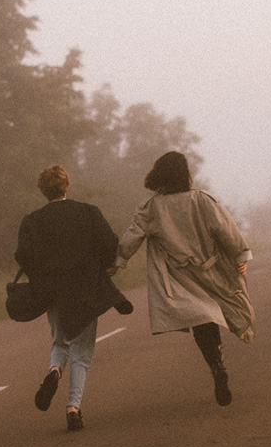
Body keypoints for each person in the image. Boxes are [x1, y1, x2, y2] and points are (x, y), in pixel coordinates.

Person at [114, 150, 254, 406]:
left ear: (159, 174)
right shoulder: (202, 200)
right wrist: (240, 255)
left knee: (201, 318)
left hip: (178, 277)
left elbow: (133, 236)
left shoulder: (151, 207)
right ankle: (218, 364)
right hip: (209, 271)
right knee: (213, 313)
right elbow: (225, 228)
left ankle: (216, 363)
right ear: (185, 174)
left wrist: (118, 261)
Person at [14, 164, 132, 431]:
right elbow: (110, 243)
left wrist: (42, 276)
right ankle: (73, 408)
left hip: (52, 291)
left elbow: (22, 255)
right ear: (66, 185)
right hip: (85, 289)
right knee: (82, 350)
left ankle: (55, 369)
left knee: (61, 339)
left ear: (43, 191)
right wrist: (108, 265)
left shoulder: (32, 221)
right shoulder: (88, 212)